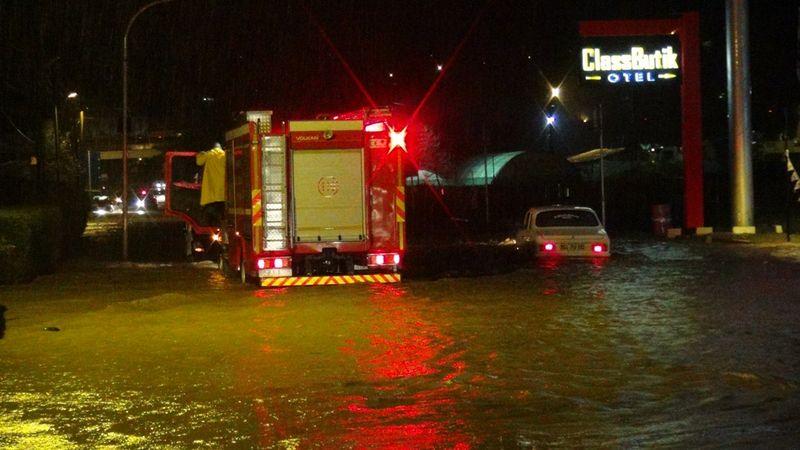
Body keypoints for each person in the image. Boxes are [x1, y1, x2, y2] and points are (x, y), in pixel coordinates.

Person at [196, 142, 226, 226]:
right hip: (223, 192)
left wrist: (200, 153)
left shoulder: (209, 154)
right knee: (222, 211)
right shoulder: (225, 155)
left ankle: (213, 225)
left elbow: (199, 162)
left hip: (211, 192)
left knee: (211, 210)